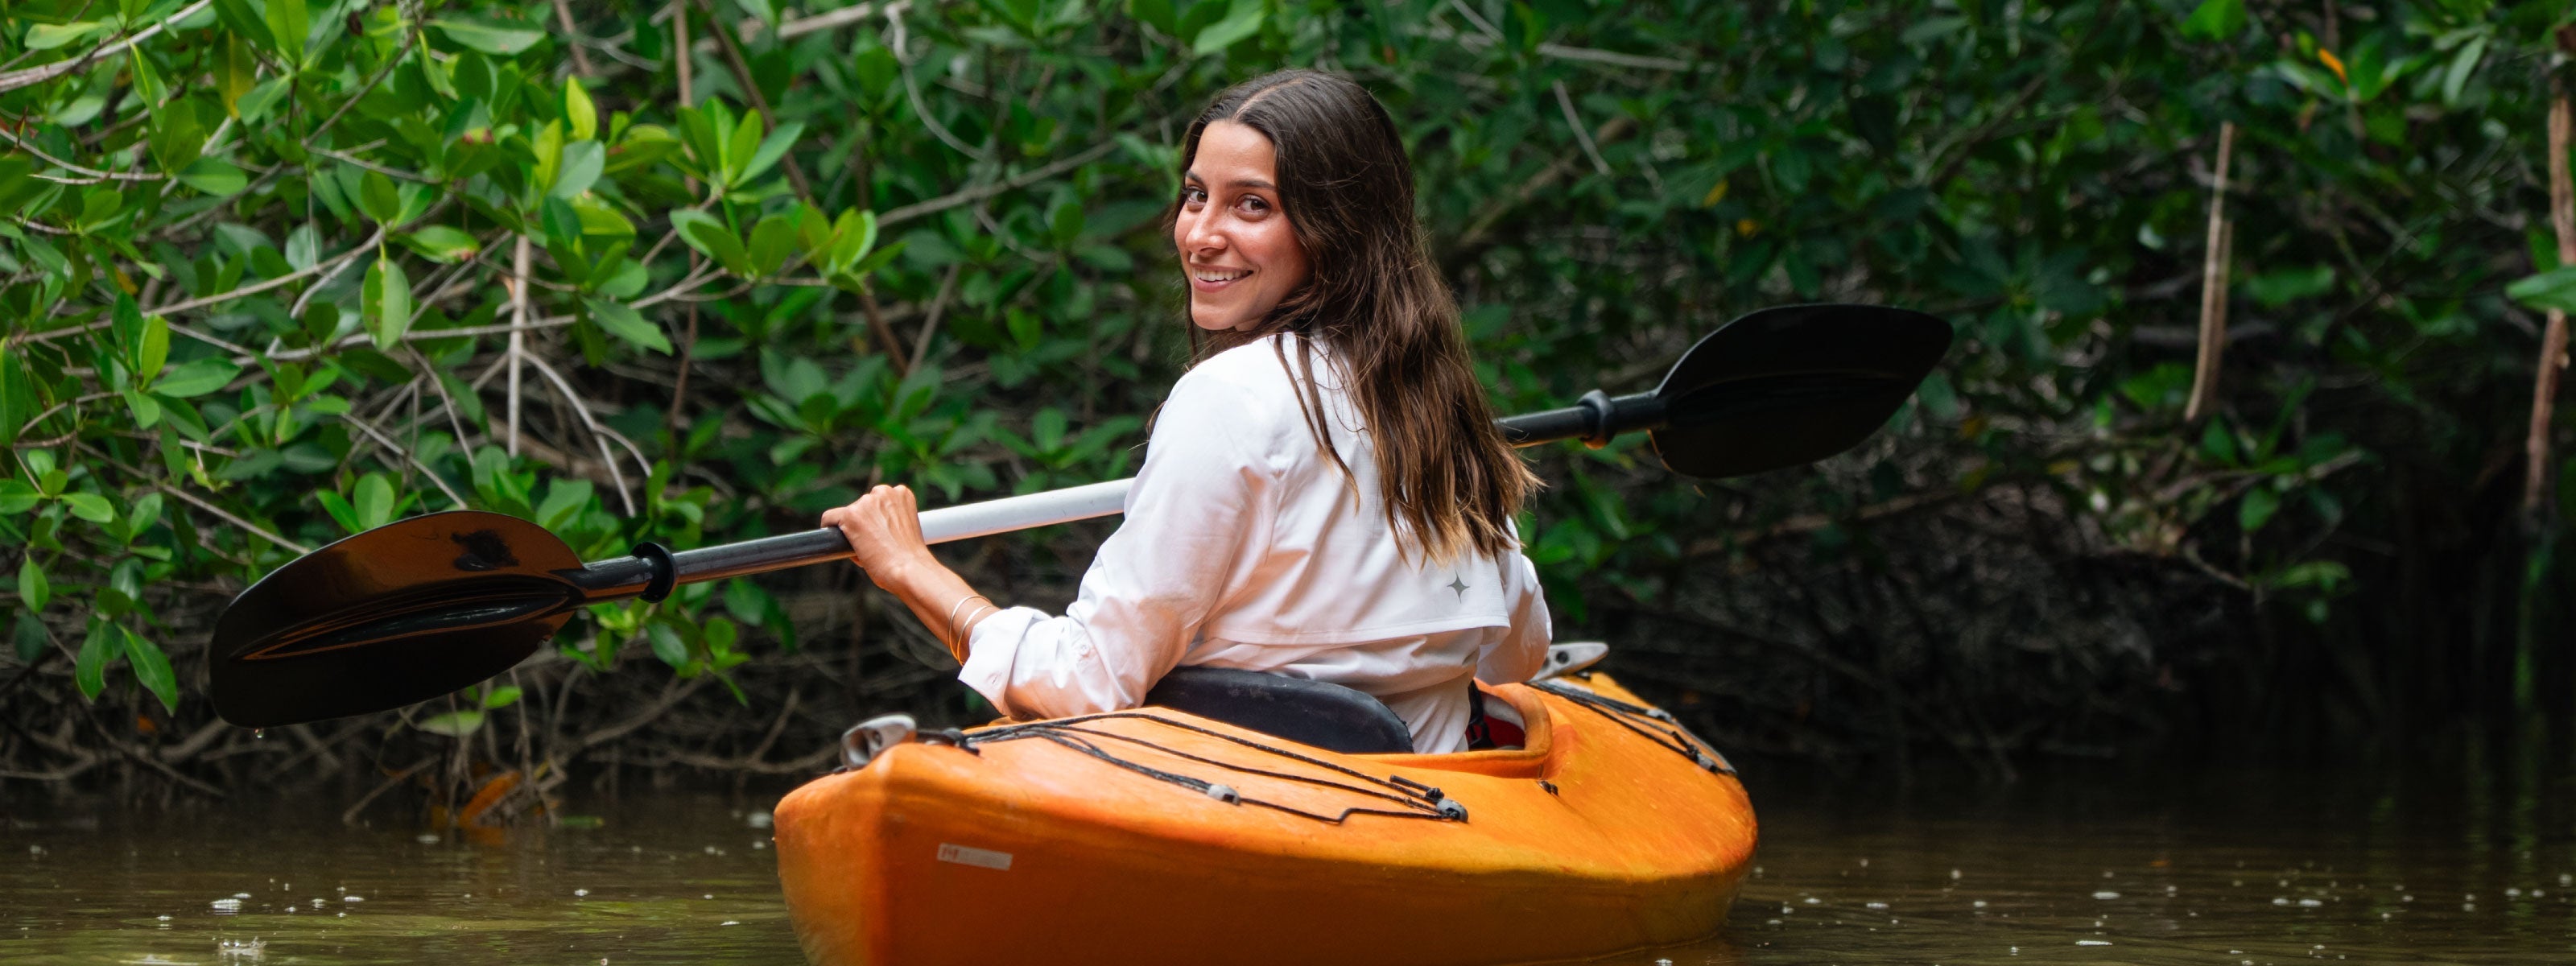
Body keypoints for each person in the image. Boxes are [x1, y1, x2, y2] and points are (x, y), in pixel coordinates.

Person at [822, 69, 1551, 753]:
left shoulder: (1230, 398)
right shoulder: (1431, 396)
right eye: (1196, 194)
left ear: (1339, 228)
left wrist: (910, 567)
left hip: (1265, 804)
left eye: (1251, 204)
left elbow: (1084, 683)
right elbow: (1519, 647)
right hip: (1430, 793)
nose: (1200, 233)